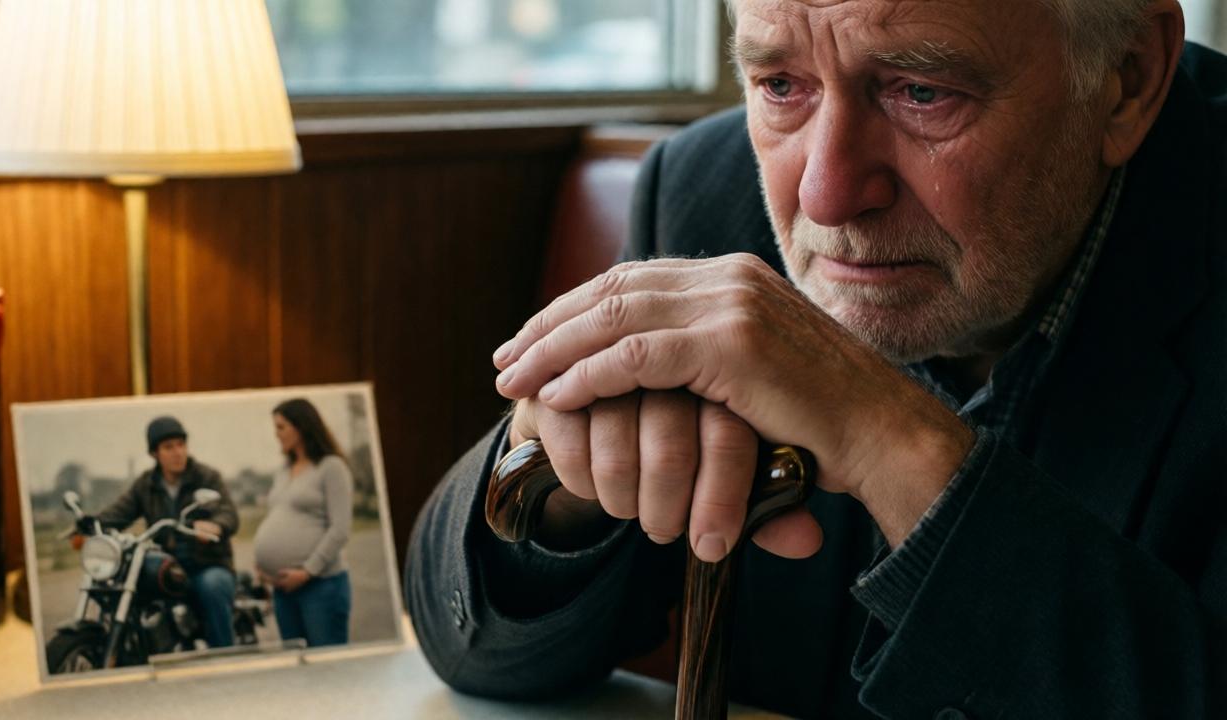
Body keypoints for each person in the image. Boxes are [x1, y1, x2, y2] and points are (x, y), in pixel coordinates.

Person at [405, 0, 1227, 717]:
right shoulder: (706, 191)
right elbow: (478, 659)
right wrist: (557, 481)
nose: (824, 195)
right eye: (780, 86)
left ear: (1126, 79)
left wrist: (888, 441)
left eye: (921, 92)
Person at [97, 416, 240, 649]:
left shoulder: (206, 477)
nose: (177, 452)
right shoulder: (146, 484)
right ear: (154, 453)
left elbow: (229, 514)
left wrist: (216, 525)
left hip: (208, 564)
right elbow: (119, 512)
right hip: (167, 568)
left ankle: (223, 655)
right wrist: (89, 526)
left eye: (181, 445)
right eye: (168, 447)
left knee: (213, 587)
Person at [253, 398, 354, 648]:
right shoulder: (284, 470)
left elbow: (340, 529)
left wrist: (307, 571)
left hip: (321, 587)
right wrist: (262, 565)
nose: (276, 434)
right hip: (283, 591)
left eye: (281, 427)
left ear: (302, 426)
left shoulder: (331, 467)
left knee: (327, 668)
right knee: (296, 666)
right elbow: (279, 516)